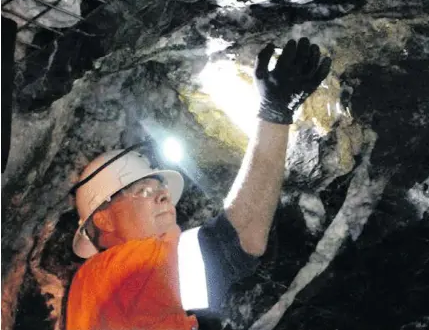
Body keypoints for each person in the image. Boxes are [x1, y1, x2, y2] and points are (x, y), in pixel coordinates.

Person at [66, 37, 331, 330]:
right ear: (103, 218)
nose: (164, 196)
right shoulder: (107, 274)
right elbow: (237, 241)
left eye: (161, 189)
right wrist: (274, 111)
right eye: (142, 191)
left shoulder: (115, 297)